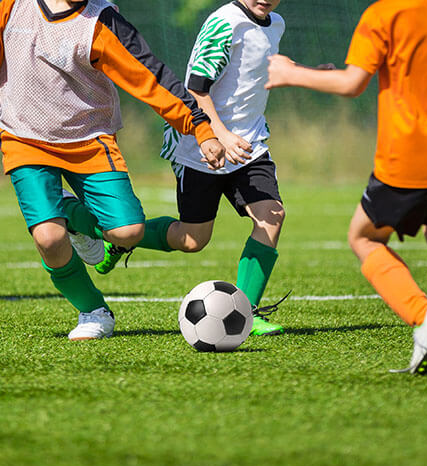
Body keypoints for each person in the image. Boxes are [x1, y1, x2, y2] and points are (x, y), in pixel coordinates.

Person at [265, 0, 427, 373]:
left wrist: (290, 73)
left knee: (364, 238)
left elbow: (352, 83)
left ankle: (425, 317)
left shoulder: (383, 14)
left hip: (408, 158)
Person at [1, 0, 225, 340]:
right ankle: (93, 310)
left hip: (90, 140)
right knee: (49, 237)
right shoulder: (12, 4)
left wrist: (199, 127)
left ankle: (75, 218)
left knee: (127, 232)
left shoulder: (101, 20)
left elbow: (149, 77)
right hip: (23, 137)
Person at [72, 0, 288, 335]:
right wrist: (220, 134)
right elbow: (195, 88)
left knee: (272, 215)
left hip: (248, 145)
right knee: (192, 240)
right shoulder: (225, 24)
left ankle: (247, 311)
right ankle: (114, 235)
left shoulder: (276, 24)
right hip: (200, 145)